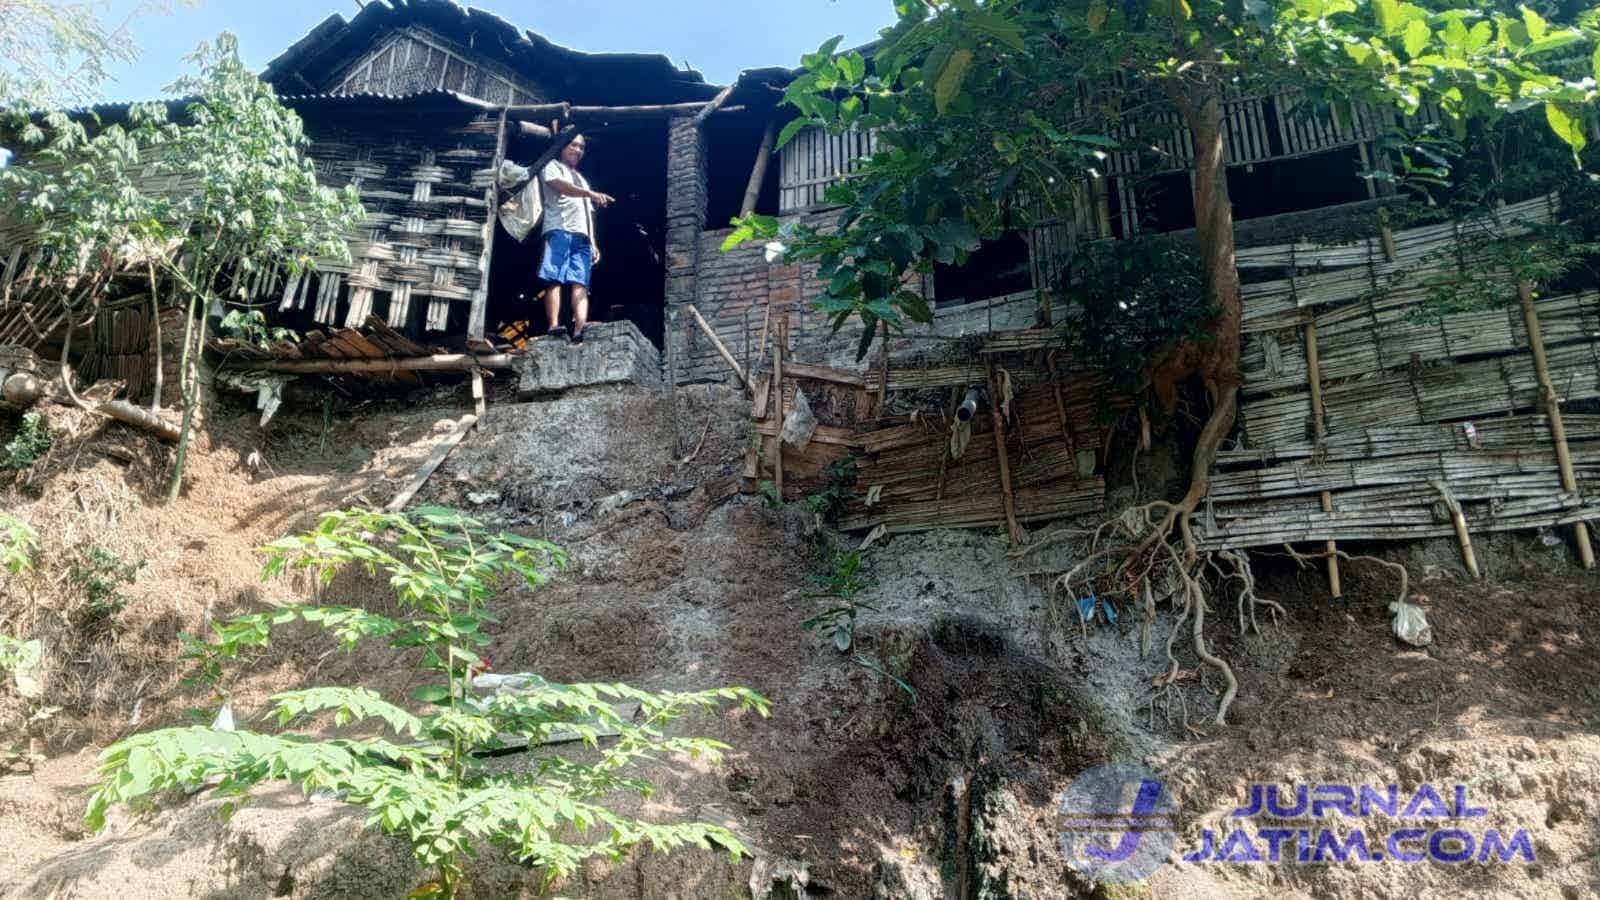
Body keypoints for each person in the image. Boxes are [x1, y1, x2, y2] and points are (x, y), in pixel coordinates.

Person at [538, 134, 613, 344]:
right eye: (573, 145)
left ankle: (580, 328)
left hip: (582, 237)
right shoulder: (552, 166)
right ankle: (553, 325)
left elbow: (587, 214)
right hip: (559, 230)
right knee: (554, 278)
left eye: (581, 147)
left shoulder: (582, 179)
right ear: (562, 146)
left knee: (581, 282)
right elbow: (561, 186)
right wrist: (590, 193)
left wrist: (593, 242)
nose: (578, 150)